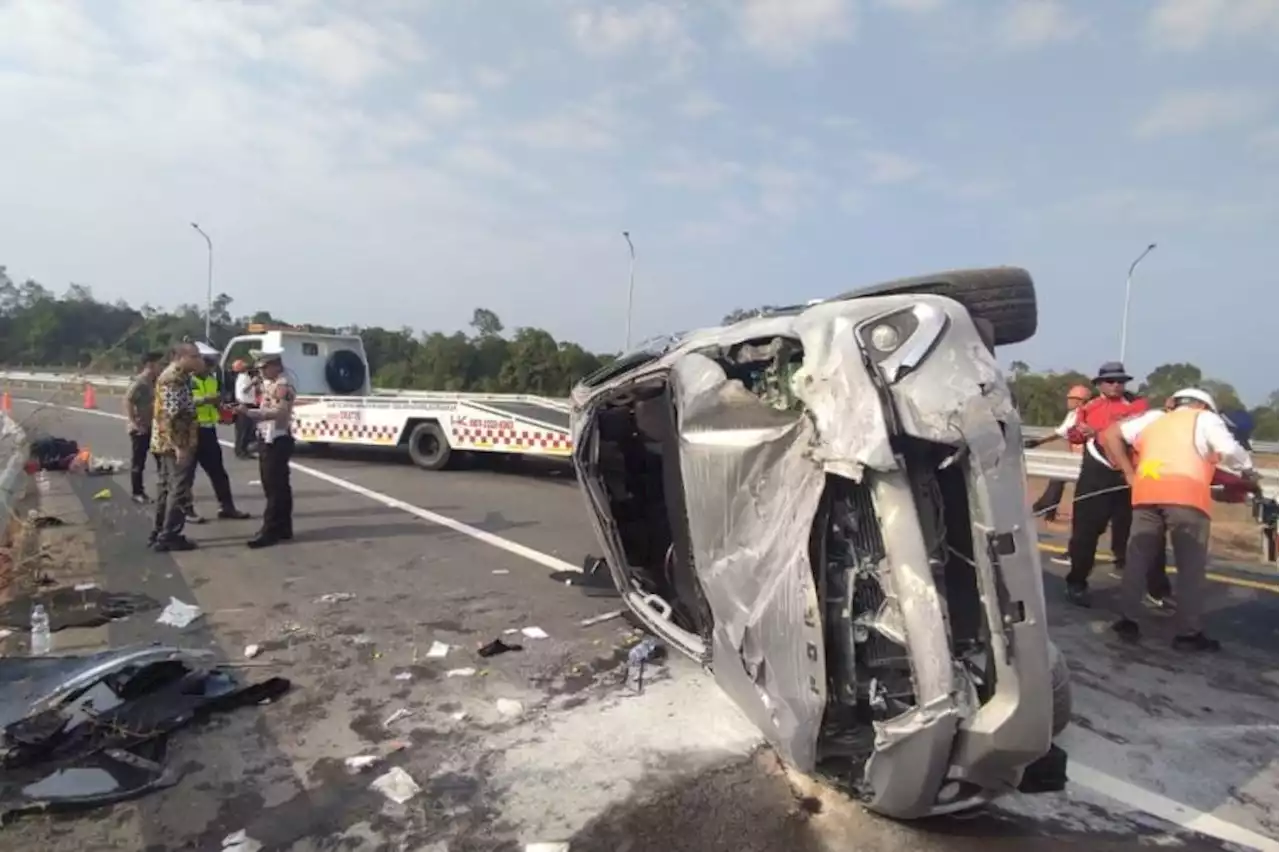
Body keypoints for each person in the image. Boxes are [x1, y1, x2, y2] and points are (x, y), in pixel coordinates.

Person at [1101, 388, 1260, 652]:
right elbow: (1229, 450)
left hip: (1145, 494)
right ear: (1203, 405)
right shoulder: (1205, 418)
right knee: (1190, 568)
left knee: (1137, 560)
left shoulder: (1154, 418)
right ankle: (1188, 634)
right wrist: (1249, 471)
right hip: (1186, 499)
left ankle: (1127, 621)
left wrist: (1129, 473)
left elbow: (1110, 434)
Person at [1062, 362, 1149, 607]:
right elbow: (1075, 433)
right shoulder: (1088, 408)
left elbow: (1132, 431)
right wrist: (1079, 432)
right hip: (1095, 475)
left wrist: (1097, 431)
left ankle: (1143, 585)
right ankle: (1077, 582)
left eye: (1120, 381)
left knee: (1135, 532)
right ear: (1099, 384)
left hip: (1128, 474)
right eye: (1110, 381)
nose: (1116, 385)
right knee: (1085, 534)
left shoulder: (1137, 405)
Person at [237, 349, 295, 548]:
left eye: (264, 367)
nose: (261, 372)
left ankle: (270, 530)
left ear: (276, 366)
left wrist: (251, 413)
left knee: (273, 487)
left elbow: (280, 412)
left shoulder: (283, 385)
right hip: (270, 436)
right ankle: (283, 527)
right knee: (279, 486)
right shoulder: (271, 384)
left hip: (276, 438)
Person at [150, 343, 204, 552]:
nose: (199, 360)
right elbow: (169, 416)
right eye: (195, 356)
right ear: (182, 357)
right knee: (178, 489)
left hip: (169, 441)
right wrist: (179, 445)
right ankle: (169, 535)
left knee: (166, 487)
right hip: (174, 443)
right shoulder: (173, 379)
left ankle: (159, 531)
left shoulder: (180, 377)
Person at [185, 349, 251, 523]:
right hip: (191, 429)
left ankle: (227, 507)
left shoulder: (213, 380)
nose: (210, 370)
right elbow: (184, 403)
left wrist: (223, 410)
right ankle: (187, 509)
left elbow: (217, 401)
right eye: (208, 367)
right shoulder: (188, 381)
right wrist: (207, 400)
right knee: (187, 474)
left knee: (218, 472)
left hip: (208, 429)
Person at [1025, 384, 1091, 526]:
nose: (1067, 401)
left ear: (1079, 401)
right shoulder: (1073, 414)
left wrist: (1038, 441)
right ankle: (1047, 509)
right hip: (1077, 456)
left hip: (1084, 457)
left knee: (1062, 480)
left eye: (1071, 399)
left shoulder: (1081, 414)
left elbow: (1061, 433)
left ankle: (1046, 509)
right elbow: (1062, 432)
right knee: (1058, 479)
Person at [124, 351, 164, 504]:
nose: (161, 367)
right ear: (150, 365)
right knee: (139, 462)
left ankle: (164, 489)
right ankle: (137, 492)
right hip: (140, 428)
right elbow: (128, 401)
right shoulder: (140, 382)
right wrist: (133, 422)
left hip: (153, 426)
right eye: (159, 364)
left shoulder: (155, 381)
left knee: (161, 459)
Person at [232, 360, 259, 459]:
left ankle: (245, 450)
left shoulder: (245, 376)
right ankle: (240, 451)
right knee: (242, 430)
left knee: (248, 429)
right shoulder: (242, 378)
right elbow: (244, 390)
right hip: (244, 405)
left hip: (249, 404)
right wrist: (252, 383)